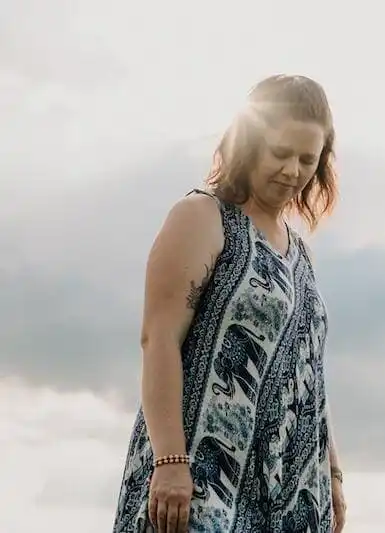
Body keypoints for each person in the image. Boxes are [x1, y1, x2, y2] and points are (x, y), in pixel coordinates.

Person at [113, 74, 347, 533]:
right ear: (249, 142)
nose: (293, 170)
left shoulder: (301, 255)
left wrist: (332, 474)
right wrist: (170, 460)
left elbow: (309, 373)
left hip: (291, 495)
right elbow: (157, 338)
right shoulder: (201, 217)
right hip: (200, 483)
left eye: (307, 159)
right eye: (280, 153)